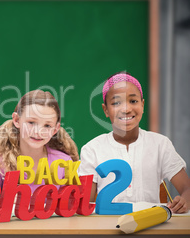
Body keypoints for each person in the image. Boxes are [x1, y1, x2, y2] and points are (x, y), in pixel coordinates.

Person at [79, 72, 190, 213]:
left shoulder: (160, 144)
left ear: (142, 105)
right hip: (106, 227)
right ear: (105, 110)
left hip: (150, 226)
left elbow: (187, 189)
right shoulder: (92, 149)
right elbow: (85, 203)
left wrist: (185, 200)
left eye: (133, 101)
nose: (126, 109)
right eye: (116, 103)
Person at [0, 90, 79, 203]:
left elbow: (69, 205)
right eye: (31, 122)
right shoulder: (0, 162)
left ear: (55, 129)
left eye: (47, 125)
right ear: (17, 120)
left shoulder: (64, 162)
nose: (38, 131)